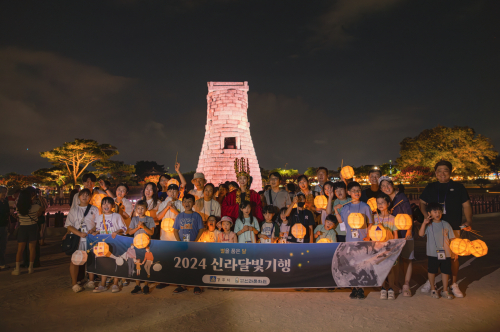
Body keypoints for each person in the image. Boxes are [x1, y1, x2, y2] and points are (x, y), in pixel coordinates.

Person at [419, 160, 472, 298]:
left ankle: (453, 284)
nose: (442, 173)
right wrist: (427, 216)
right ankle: (431, 283)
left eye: (445, 170)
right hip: (434, 226)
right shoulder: (430, 187)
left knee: (453, 257)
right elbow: (422, 203)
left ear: (450, 172)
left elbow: (466, 205)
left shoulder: (458, 187)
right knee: (433, 254)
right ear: (436, 173)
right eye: (439, 171)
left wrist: (468, 220)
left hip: (453, 226)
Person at [334, 181, 373, 300]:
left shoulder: (365, 206)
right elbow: (341, 221)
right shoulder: (346, 207)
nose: (357, 192)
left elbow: (370, 223)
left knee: (361, 264)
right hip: (350, 239)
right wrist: (336, 210)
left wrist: (368, 236)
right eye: (354, 190)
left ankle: (361, 288)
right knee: (352, 264)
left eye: (358, 190)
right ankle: (354, 288)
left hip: (362, 239)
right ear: (349, 192)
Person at [379, 175, 414, 297]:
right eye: (383, 186)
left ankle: (406, 284)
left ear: (392, 185)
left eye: (387, 184)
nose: (386, 187)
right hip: (393, 234)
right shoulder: (384, 200)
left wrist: (409, 230)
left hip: (404, 231)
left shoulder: (401, 197)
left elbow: (409, 215)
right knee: (396, 260)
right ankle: (396, 284)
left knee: (407, 258)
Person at [418, 202, 456, 300]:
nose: (437, 213)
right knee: (432, 271)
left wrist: (455, 252)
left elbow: (452, 239)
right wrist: (424, 223)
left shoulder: (446, 224)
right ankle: (433, 289)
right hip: (432, 253)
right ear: (429, 213)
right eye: (435, 211)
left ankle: (445, 290)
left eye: (439, 211)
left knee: (445, 272)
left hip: (446, 253)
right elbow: (421, 234)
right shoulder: (429, 225)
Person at [64, 189, 98, 292]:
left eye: (87, 195)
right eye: (82, 195)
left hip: (90, 238)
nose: (85, 197)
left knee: (91, 259)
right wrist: (79, 234)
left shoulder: (95, 209)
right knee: (75, 260)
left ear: (90, 197)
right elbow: (69, 225)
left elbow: (98, 222)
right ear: (79, 197)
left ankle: (91, 281)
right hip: (78, 238)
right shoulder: (74, 210)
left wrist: (93, 230)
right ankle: (74, 283)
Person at [92, 197, 127, 293]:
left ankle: (115, 283)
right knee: (104, 263)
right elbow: (99, 228)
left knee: (116, 261)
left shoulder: (117, 216)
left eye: (108, 204)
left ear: (112, 206)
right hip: (103, 243)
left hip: (116, 242)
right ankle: (103, 285)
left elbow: (124, 228)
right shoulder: (99, 217)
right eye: (104, 204)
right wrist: (96, 232)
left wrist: (117, 231)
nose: (106, 206)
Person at [172, 194, 205, 294]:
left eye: (189, 201)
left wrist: (195, 241)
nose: (187, 203)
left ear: (193, 203)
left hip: (194, 246)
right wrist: (179, 243)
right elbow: (175, 230)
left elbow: (201, 229)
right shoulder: (179, 216)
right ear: (182, 204)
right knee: (182, 265)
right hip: (182, 246)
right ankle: (182, 285)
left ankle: (197, 285)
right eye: (185, 201)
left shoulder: (196, 215)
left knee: (195, 265)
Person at [372, 193, 399, 300]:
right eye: (378, 203)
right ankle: (383, 288)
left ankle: (391, 288)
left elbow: (395, 233)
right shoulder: (374, 218)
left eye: (382, 202)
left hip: (389, 247)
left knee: (390, 268)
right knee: (381, 268)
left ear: (388, 203)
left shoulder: (392, 218)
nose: (380, 205)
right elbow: (372, 232)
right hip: (378, 247)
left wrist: (395, 245)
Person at [11, 189, 43, 275]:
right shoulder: (36, 207)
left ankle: (17, 269)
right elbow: (41, 212)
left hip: (23, 228)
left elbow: (19, 217)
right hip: (32, 227)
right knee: (32, 249)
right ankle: (30, 268)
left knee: (20, 249)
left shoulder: (18, 208)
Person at [222, 158, 264, 222]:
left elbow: (259, 208)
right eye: (240, 178)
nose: (242, 181)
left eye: (244, 178)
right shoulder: (231, 195)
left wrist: (250, 208)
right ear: (237, 180)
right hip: (236, 221)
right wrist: (236, 208)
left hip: (250, 220)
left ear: (247, 180)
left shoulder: (254, 194)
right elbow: (224, 207)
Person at [128, 200, 155, 294]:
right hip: (136, 246)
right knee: (137, 266)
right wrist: (138, 227)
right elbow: (130, 232)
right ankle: (137, 285)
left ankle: (146, 285)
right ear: (135, 209)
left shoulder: (150, 219)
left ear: (146, 209)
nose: (140, 210)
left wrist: (143, 227)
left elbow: (152, 232)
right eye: (138, 208)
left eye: (142, 208)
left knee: (146, 267)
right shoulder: (134, 219)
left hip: (147, 246)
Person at [0, 186, 10, 270]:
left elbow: (7, 213)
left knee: (3, 245)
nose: (4, 194)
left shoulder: (5, 202)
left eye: (5, 192)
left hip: (4, 226)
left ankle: (2, 263)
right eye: (3, 192)